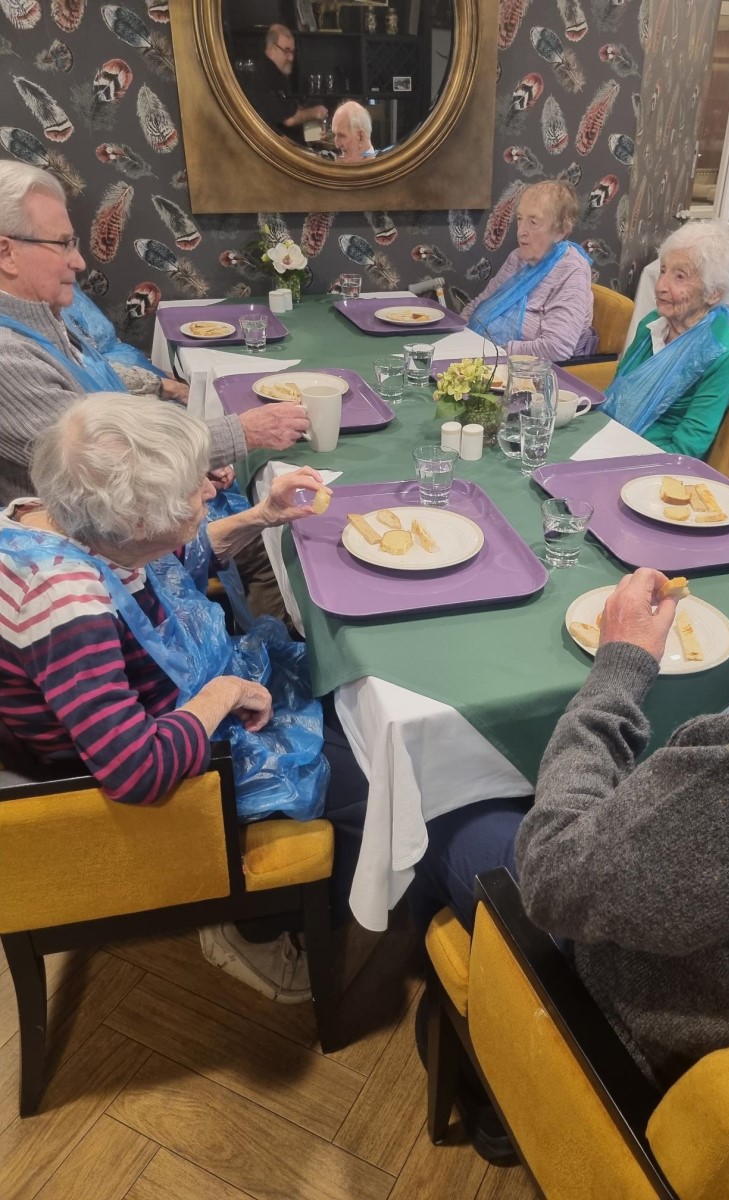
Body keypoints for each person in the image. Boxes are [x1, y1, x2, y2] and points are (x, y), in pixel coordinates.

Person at [412, 388, 729, 1116]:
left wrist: (620, 667)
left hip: (667, 1034)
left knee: (458, 815)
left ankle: (499, 1074)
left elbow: (553, 874)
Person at [0, 393, 368, 1003]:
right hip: (125, 776)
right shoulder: (66, 610)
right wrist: (226, 692)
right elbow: (136, 772)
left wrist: (261, 516)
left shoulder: (55, 517)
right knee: (361, 776)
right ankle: (254, 927)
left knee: (341, 695)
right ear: (138, 522)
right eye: (193, 492)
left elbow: (167, 564)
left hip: (163, 702)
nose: (209, 489)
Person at [0, 162, 308, 506]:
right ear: (6, 254)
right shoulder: (7, 357)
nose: (79, 263)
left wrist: (169, 401)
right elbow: (109, 462)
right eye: (62, 244)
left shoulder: (41, 317)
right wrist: (239, 433)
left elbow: (90, 383)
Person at [600, 220, 729, 458]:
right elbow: (616, 395)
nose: (660, 286)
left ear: (714, 293)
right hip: (606, 443)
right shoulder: (651, 324)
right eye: (663, 270)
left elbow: (686, 449)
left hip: (649, 468)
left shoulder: (721, 356)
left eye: (679, 276)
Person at [460, 181, 594, 363]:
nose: (521, 231)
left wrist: (498, 352)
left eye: (533, 222)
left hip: (530, 374)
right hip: (480, 355)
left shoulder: (572, 271)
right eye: (520, 219)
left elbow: (556, 348)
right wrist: (459, 333)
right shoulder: (517, 258)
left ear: (561, 230)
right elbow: (482, 303)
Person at [243, 24, 327, 142]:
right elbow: (289, 118)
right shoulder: (267, 75)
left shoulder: (277, 73)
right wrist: (316, 112)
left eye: (292, 52)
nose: (291, 58)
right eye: (286, 51)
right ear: (272, 50)